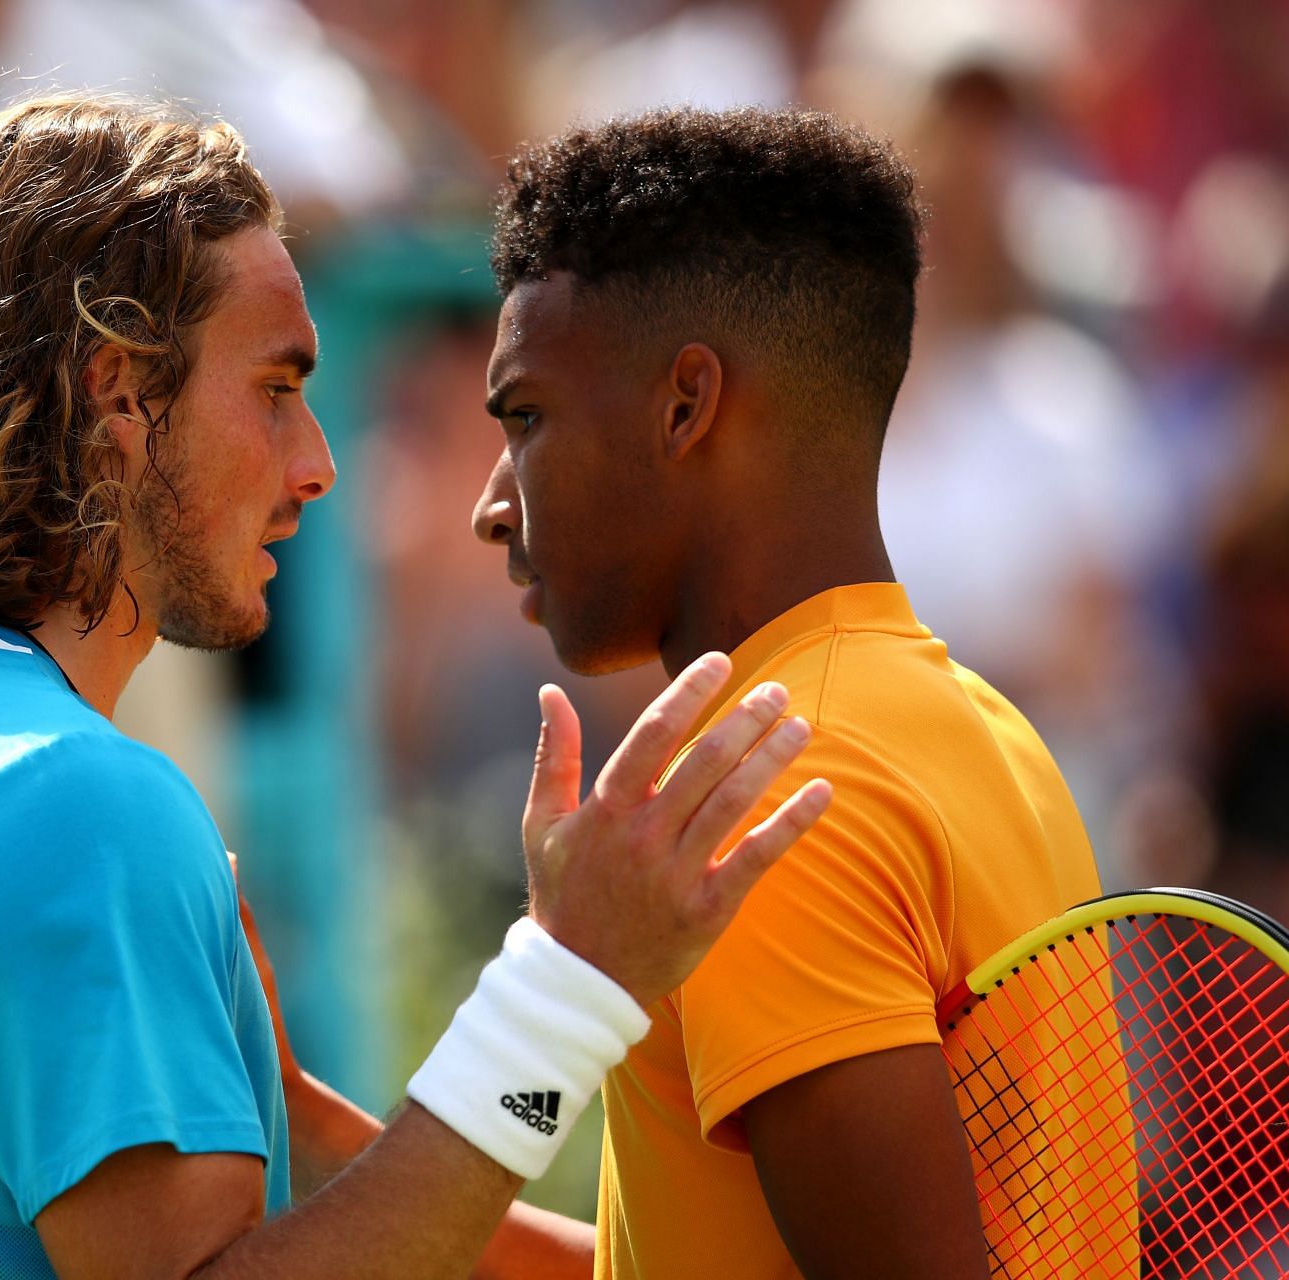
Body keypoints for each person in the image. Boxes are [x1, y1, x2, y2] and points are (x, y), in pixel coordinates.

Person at [0, 94, 833, 1279]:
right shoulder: (73, 803)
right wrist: (565, 993)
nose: (319, 464)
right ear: (121, 393)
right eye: (277, 388)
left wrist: (286, 1107)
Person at [469, 108, 1115, 1278]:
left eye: (527, 419)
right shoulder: (974, 721)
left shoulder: (763, 800)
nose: (493, 502)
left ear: (686, 405)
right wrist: (318, 1127)